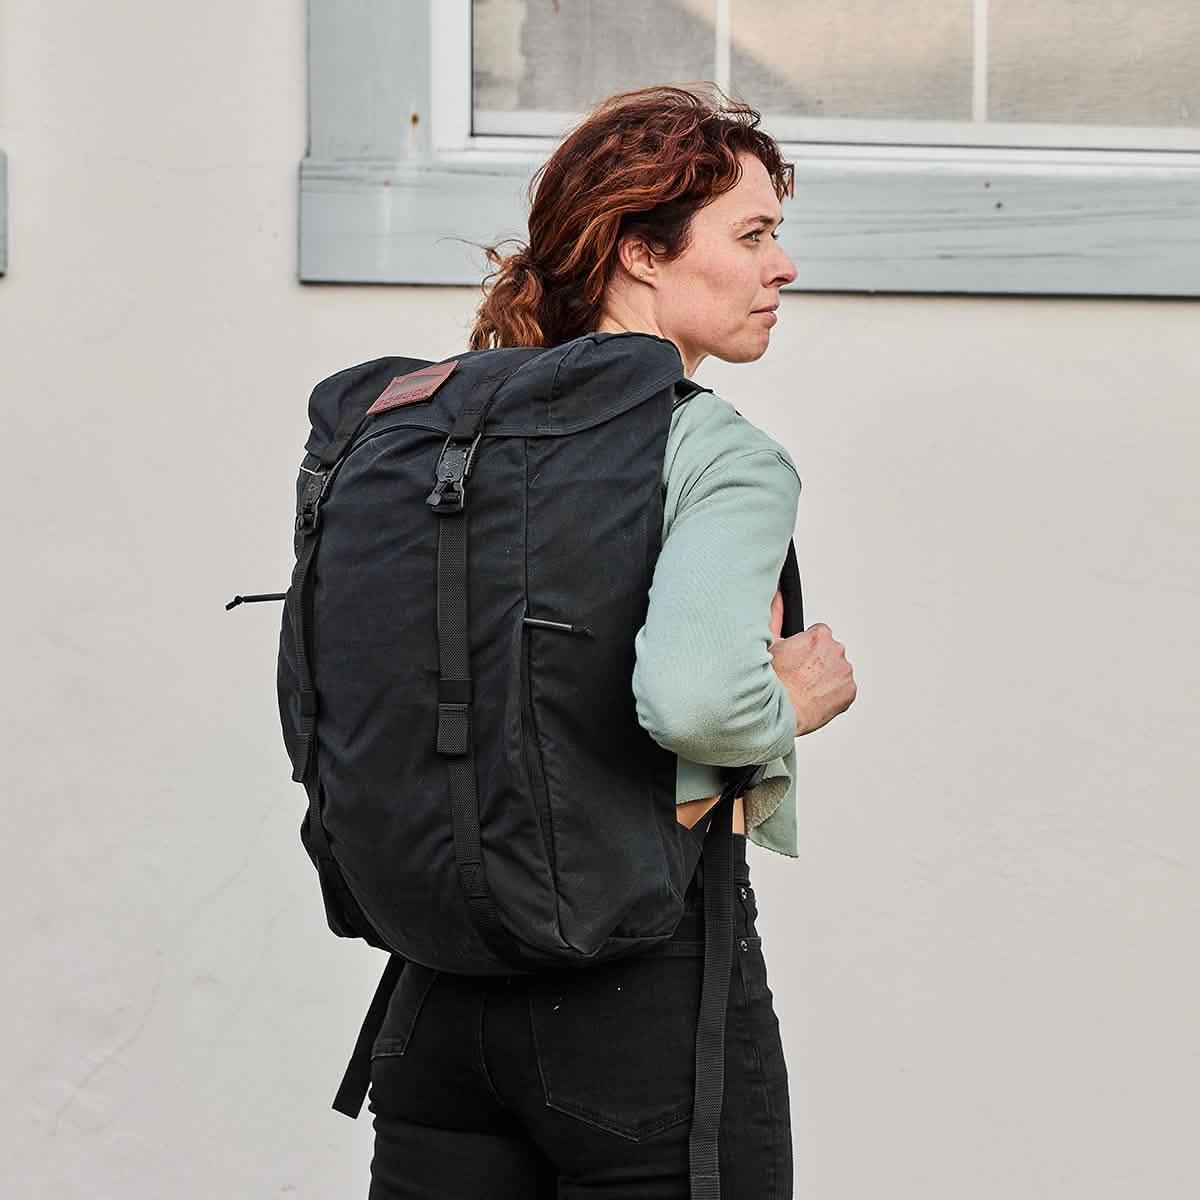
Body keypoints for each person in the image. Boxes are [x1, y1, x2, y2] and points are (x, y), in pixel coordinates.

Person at [366, 83, 857, 1199]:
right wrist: (797, 699)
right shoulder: (717, 451)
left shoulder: (443, 431)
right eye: (756, 235)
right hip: (636, 996)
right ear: (642, 252)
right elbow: (694, 705)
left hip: (433, 1002)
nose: (784, 267)